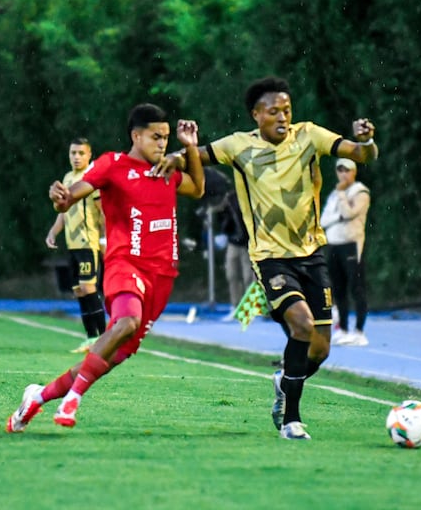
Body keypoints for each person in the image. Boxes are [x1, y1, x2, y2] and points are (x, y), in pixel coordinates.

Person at [155, 76, 378, 440]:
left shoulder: (309, 135)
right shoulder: (237, 146)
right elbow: (192, 158)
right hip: (270, 259)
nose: (283, 117)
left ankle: (283, 382)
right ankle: (292, 420)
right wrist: (176, 156)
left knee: (320, 349)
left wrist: (367, 140)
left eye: (287, 110)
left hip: (312, 255)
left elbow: (360, 154)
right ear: (256, 115)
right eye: (274, 111)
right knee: (301, 326)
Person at [6, 104, 204, 432]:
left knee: (113, 354)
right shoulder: (113, 165)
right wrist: (60, 198)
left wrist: (192, 147)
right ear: (136, 136)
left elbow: (197, 189)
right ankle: (73, 401)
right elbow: (72, 196)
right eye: (156, 137)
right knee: (127, 321)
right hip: (124, 264)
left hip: (162, 276)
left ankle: (38, 397)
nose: (163, 144)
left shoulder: (167, 170)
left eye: (167, 138)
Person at [45, 138, 107, 353]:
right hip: (72, 245)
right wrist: (53, 232)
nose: (77, 157)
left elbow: (103, 212)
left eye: (81, 153)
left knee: (89, 288)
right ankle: (91, 338)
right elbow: (64, 212)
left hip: (88, 242)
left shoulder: (92, 179)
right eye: (73, 153)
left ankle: (104, 339)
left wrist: (104, 239)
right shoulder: (68, 178)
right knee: (79, 291)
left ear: (90, 155)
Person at [320, 158, 371, 346]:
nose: (343, 174)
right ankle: (343, 328)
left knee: (356, 287)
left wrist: (342, 198)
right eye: (340, 170)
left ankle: (359, 331)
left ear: (353, 172)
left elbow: (349, 214)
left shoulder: (360, 192)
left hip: (351, 244)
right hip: (334, 244)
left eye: (346, 170)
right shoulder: (335, 194)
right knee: (337, 289)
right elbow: (324, 220)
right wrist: (338, 215)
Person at [218, 189, 253, 321]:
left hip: (247, 243)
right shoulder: (230, 197)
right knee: (232, 274)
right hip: (234, 241)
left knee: (248, 276)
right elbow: (223, 216)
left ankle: (249, 308)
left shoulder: (252, 196)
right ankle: (235, 305)